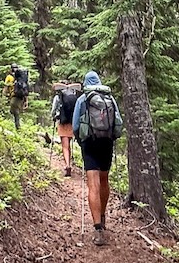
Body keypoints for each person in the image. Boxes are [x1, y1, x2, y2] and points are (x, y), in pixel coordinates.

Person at [71, 70, 123, 245]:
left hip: (90, 143)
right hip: (106, 142)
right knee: (104, 180)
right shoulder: (110, 98)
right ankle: (102, 214)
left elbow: (76, 125)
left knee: (93, 184)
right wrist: (111, 138)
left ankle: (98, 229)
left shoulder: (83, 99)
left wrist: (80, 141)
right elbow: (118, 123)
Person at [49, 79, 82, 176]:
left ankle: (67, 165)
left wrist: (53, 117)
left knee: (64, 146)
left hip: (62, 122)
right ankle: (69, 163)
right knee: (68, 144)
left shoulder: (58, 97)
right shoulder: (74, 96)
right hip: (72, 122)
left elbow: (53, 110)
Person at [3, 64, 29, 129]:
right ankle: (16, 125)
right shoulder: (22, 79)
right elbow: (26, 91)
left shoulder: (9, 77)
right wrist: (26, 101)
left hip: (14, 96)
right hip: (21, 97)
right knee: (15, 110)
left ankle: (17, 126)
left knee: (14, 111)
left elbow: (6, 86)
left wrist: (4, 94)